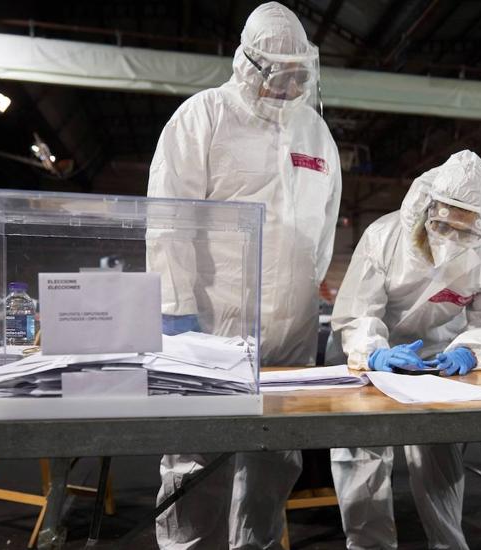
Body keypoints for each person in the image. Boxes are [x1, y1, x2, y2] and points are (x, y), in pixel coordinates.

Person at [146, 3, 341, 548]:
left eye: (299, 75)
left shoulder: (316, 134)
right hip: (208, 328)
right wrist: (174, 309)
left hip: (289, 334)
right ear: (249, 65)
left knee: (274, 461)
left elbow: (321, 233)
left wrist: (302, 295)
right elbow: (167, 221)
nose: (289, 87)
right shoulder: (203, 116)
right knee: (193, 460)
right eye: (278, 76)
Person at [330, 150, 481, 550]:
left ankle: (448, 544)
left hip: (438, 357)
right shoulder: (385, 237)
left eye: (466, 231)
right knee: (362, 455)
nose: (451, 240)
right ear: (429, 207)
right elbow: (357, 311)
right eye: (443, 224)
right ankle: (369, 545)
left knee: (441, 456)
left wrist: (470, 350)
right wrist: (374, 353)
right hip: (372, 355)